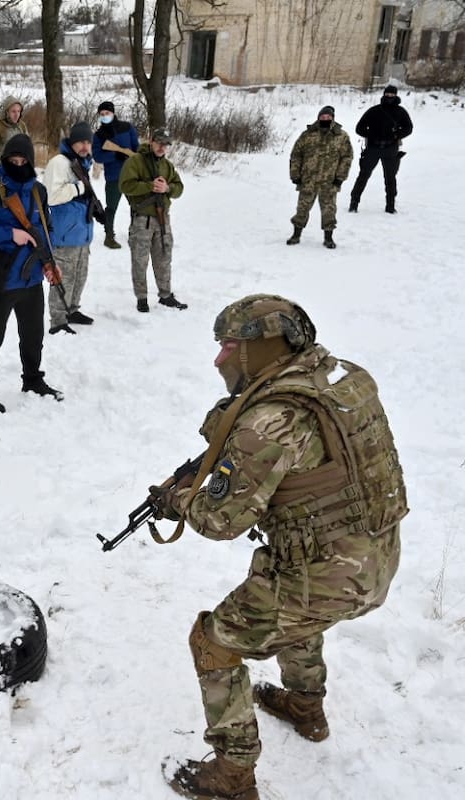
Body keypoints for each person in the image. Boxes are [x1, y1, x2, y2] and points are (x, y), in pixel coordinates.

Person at [154, 294, 406, 800]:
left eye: (228, 347)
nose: (219, 359)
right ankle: (306, 708)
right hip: (375, 556)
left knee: (213, 642)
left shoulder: (269, 420)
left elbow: (222, 520)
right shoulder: (343, 379)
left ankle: (232, 777)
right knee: (289, 599)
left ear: (261, 349)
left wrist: (178, 500)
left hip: (328, 575)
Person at [0, 134, 62, 415]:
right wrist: (10, 234)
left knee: (33, 334)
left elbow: (46, 227)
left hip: (32, 276)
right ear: (5, 160)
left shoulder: (38, 191)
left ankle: (32, 379)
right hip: (1, 276)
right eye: (13, 160)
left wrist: (50, 260)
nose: (18, 164)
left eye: (24, 161)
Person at [44, 122, 106, 332]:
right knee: (64, 278)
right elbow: (52, 197)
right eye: (80, 141)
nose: (85, 146)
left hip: (81, 234)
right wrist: (80, 187)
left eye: (88, 142)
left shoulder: (81, 163)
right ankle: (58, 319)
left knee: (79, 276)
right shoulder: (59, 163)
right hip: (65, 235)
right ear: (72, 142)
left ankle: (71, 309)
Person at [119, 129, 186, 313]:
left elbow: (179, 188)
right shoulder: (135, 162)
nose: (162, 147)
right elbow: (125, 185)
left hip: (163, 219)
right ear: (151, 141)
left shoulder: (167, 166)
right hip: (142, 219)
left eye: (165, 144)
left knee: (164, 257)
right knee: (140, 260)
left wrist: (167, 188)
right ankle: (141, 298)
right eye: (159, 143)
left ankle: (165, 295)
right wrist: (150, 186)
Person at [286, 106, 353, 249]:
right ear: (318, 117)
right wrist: (295, 174)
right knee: (302, 208)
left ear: (333, 118)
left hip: (329, 182)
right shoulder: (308, 135)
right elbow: (296, 155)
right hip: (308, 180)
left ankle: (328, 238)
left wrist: (340, 177)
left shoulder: (341, 136)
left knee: (329, 210)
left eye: (328, 117)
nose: (325, 119)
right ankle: (296, 235)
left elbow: (347, 158)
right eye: (323, 117)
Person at [348, 85, 413, 214]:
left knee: (390, 178)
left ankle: (390, 206)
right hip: (373, 148)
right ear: (384, 95)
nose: (389, 97)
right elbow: (359, 128)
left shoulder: (400, 112)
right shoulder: (374, 111)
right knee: (363, 176)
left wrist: (396, 135)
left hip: (390, 149)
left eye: (392, 95)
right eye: (387, 94)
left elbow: (408, 128)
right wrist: (370, 135)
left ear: (396, 96)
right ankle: (353, 204)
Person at [92, 100, 140, 249]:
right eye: (102, 114)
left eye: (107, 113)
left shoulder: (127, 127)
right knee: (111, 207)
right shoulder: (99, 135)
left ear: (113, 113)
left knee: (136, 206)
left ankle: (135, 233)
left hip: (131, 175)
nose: (105, 116)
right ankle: (109, 236)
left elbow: (136, 148)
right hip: (113, 177)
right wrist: (115, 155)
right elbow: (98, 156)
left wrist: (132, 156)